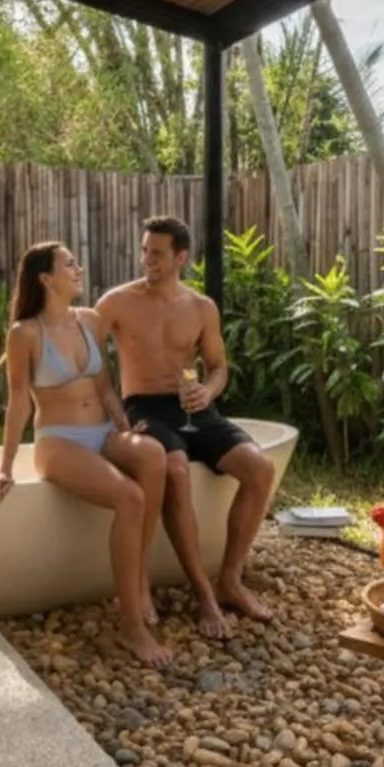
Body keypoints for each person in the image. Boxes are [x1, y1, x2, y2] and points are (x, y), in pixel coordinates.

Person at [0, 241, 173, 666]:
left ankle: (138, 578)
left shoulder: (88, 320)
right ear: (46, 279)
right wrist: (5, 467)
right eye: (69, 264)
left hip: (102, 431)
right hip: (59, 441)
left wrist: (124, 429)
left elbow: (103, 387)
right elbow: (18, 403)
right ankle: (131, 626)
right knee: (130, 497)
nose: (79, 268)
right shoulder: (25, 333)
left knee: (154, 455)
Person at [97, 216, 277, 638]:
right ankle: (204, 594)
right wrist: (110, 409)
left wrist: (208, 393)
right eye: (144, 251)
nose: (147, 260)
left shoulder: (201, 308)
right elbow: (86, 358)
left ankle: (230, 579)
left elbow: (218, 368)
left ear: (180, 257)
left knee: (260, 469)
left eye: (157, 253)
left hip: (193, 407)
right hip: (144, 407)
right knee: (176, 471)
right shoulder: (116, 302)